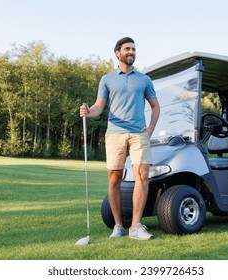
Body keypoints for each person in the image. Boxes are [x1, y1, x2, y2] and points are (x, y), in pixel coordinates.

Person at [79, 37, 160, 240]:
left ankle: (135, 227)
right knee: (114, 178)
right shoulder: (107, 79)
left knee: (143, 175)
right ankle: (118, 225)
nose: (131, 52)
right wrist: (89, 111)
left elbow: (155, 106)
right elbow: (99, 106)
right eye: (127, 49)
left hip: (139, 134)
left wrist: (149, 129)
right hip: (115, 133)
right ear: (117, 53)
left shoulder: (144, 79)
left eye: (133, 49)